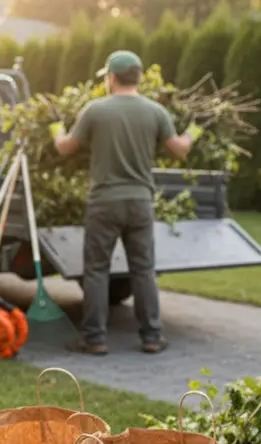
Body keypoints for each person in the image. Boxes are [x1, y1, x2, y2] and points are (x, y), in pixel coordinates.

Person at [50, 50, 201, 355]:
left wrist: (56, 128)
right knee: (143, 270)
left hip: (104, 202)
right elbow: (180, 149)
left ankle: (94, 339)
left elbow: (66, 148)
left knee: (96, 270)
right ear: (140, 78)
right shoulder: (155, 112)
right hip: (140, 202)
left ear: (112, 78)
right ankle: (152, 336)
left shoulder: (96, 110)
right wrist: (196, 129)